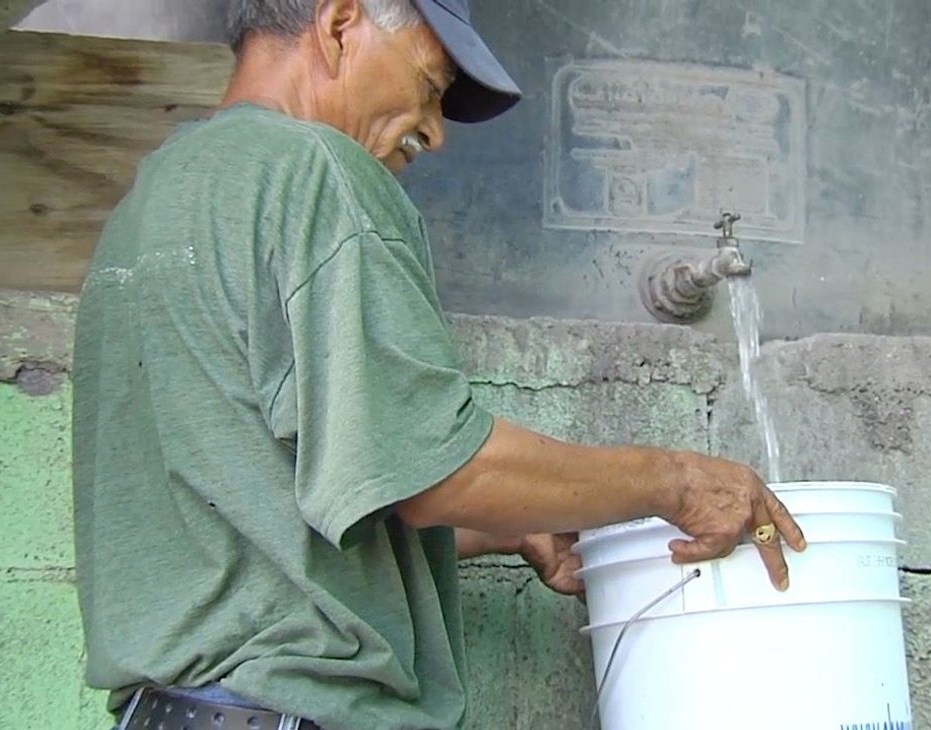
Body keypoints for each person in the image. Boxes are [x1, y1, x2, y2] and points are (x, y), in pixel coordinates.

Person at [71, 1, 804, 728]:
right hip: (296, 709)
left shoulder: (157, 194)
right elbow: (434, 475)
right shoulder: (319, 170)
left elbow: (269, 505)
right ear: (337, 26)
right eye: (428, 86)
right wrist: (675, 481)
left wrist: (514, 527)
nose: (435, 131)